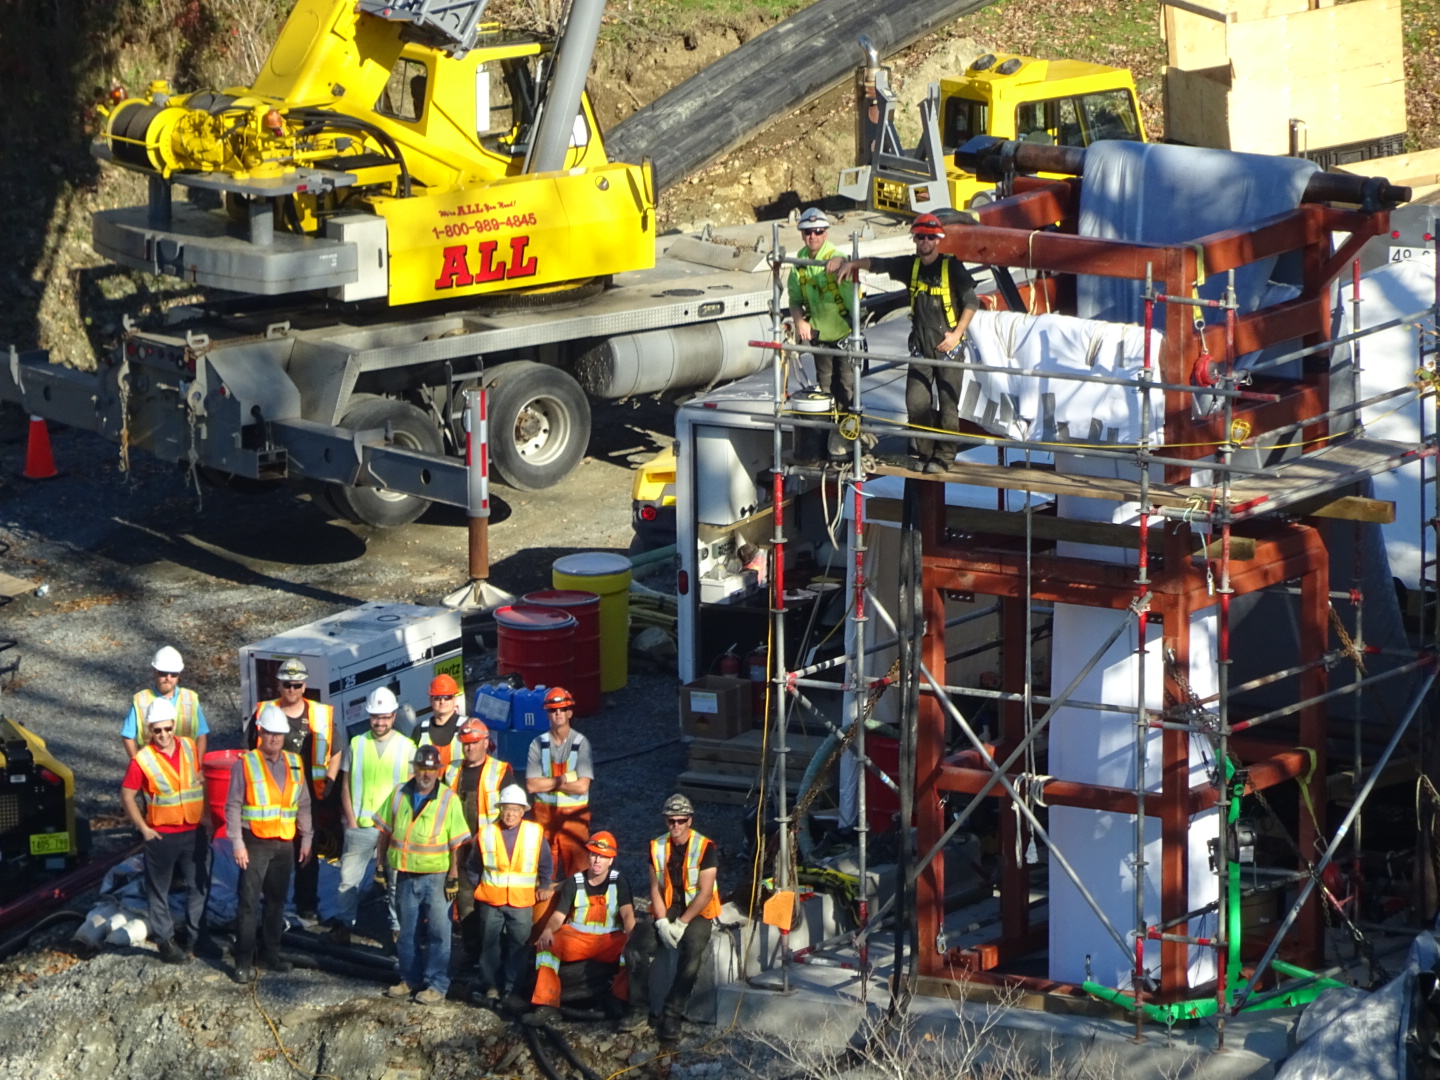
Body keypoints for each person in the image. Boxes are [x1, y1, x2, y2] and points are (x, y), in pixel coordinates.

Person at [828, 212, 979, 474]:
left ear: (938, 240)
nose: (925, 242)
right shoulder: (911, 266)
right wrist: (852, 264)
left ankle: (944, 457)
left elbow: (971, 302)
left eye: (930, 237)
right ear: (915, 240)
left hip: (948, 349)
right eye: (920, 237)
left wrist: (956, 334)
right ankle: (925, 453)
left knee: (948, 406)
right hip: (921, 347)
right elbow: (879, 264)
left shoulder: (951, 267)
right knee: (916, 403)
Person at [374, 744, 472, 1005]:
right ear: (414, 769)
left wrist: (453, 876)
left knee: (440, 932)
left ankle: (437, 984)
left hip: (437, 877)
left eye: (431, 769)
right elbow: (384, 832)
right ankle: (409, 979)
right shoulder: (399, 794)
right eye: (421, 769)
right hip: (405, 875)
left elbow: (456, 843)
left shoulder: (448, 799)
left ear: (438, 771)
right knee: (408, 932)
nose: (426, 774)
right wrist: (380, 866)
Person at [243, 657, 339, 921]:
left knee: (306, 852)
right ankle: (271, 902)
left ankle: (306, 903)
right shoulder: (264, 712)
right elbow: (248, 752)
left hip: (307, 798)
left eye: (297, 685)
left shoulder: (320, 714)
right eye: (287, 685)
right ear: (279, 685)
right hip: (271, 800)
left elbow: (337, 749)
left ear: (304, 685)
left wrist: (329, 778)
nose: (292, 690)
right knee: (270, 852)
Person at [119, 697, 211, 964]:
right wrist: (144, 828)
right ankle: (165, 942)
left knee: (199, 886)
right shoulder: (142, 760)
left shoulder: (190, 747)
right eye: (157, 730)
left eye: (167, 729)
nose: (163, 735)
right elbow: (127, 796)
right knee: (158, 890)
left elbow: (198, 781)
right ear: (150, 730)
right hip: (162, 835)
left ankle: (196, 938)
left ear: (174, 725)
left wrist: (206, 816)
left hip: (194, 830)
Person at [227, 704, 312, 984]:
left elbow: (303, 803)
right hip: (254, 842)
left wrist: (306, 838)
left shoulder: (294, 763)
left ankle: (270, 954)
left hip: (284, 842)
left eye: (279, 734)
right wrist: (237, 843)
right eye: (270, 734)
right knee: (249, 903)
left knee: (276, 902)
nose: (274, 739)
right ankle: (243, 961)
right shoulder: (246, 763)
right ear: (260, 732)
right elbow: (233, 805)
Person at [522, 831, 636, 1028]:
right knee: (546, 947)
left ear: (611, 860)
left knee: (631, 951)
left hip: (609, 940)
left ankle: (619, 1001)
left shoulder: (620, 882)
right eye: (593, 855)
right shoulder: (574, 882)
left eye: (602, 856)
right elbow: (558, 916)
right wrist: (548, 931)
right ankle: (546, 1004)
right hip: (577, 938)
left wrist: (632, 937)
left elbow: (627, 914)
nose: (597, 860)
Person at [333, 686, 416, 945]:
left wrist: (400, 827)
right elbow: (345, 785)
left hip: (392, 830)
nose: (379, 722)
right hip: (360, 826)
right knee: (348, 880)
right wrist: (351, 820)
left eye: (385, 717)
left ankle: (397, 930)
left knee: (394, 882)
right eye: (375, 717)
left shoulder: (407, 747)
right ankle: (344, 925)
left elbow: (412, 792)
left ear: (393, 716)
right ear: (369, 717)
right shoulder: (357, 743)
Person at [648, 793, 721, 1045]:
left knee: (693, 950)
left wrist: (681, 923)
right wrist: (661, 921)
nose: (676, 826)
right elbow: (655, 888)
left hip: (698, 910)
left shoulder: (705, 847)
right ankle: (635, 1007)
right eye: (671, 821)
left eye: (681, 820)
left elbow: (705, 893)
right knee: (637, 945)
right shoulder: (657, 846)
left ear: (689, 820)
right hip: (668, 906)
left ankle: (672, 1013)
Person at [473, 784, 554, 1006]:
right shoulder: (487, 832)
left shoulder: (534, 833)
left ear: (523, 811)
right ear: (500, 809)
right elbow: (473, 865)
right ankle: (490, 985)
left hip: (521, 902)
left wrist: (545, 884)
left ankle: (511, 990)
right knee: (490, 945)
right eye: (507, 808)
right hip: (491, 900)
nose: (510, 813)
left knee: (518, 946)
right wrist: (477, 887)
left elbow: (546, 862)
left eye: (515, 809)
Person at [788, 207, 859, 459]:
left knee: (847, 390)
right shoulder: (800, 262)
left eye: (818, 231)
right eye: (807, 232)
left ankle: (849, 443)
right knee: (826, 390)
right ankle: (830, 441)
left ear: (826, 232)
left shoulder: (835, 257)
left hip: (844, 335)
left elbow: (849, 269)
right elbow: (794, 299)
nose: (813, 236)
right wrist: (800, 322)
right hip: (821, 336)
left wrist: (843, 264)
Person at [451, 717, 515, 958]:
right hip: (461, 847)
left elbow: (511, 811)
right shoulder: (451, 770)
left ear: (486, 742)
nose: (470, 748)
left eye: (475, 742)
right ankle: (473, 955)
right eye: (465, 743)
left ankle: (497, 955)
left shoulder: (500, 770)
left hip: (491, 848)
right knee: (466, 903)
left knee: (493, 904)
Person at [525, 686, 593, 879]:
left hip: (574, 819)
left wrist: (548, 783)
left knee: (579, 875)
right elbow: (531, 786)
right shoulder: (537, 744)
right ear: (547, 714)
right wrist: (563, 779)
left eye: (563, 709)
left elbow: (582, 786)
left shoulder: (581, 744)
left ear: (570, 712)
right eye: (553, 710)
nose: (558, 714)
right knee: (542, 876)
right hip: (543, 819)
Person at [121, 646, 208, 760]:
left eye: (173, 674)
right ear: (155, 672)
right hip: (152, 768)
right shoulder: (140, 700)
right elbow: (127, 736)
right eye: (163, 673)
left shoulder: (190, 698)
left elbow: (201, 735)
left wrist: (198, 767)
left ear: (179, 674)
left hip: (185, 767)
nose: (168, 678)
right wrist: (137, 764)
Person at [415, 673, 465, 779]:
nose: (442, 701)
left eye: (447, 697)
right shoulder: (420, 730)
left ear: (454, 699)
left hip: (457, 793)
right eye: (437, 698)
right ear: (430, 701)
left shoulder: (467, 727)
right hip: (428, 792)